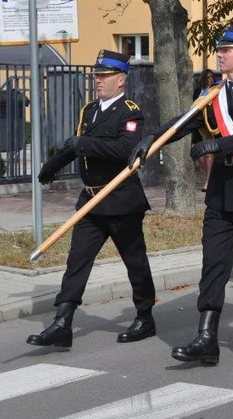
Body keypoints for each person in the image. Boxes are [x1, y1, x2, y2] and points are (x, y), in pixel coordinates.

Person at [129, 25, 233, 364]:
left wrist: (221, 143)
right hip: (220, 197)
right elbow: (181, 123)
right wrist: (150, 139)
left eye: (227, 49)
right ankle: (206, 336)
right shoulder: (213, 95)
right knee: (213, 266)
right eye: (219, 48)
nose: (220, 53)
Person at [31, 50, 156, 348]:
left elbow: (125, 149)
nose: (98, 80)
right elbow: (75, 146)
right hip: (90, 200)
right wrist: (51, 166)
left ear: (121, 80)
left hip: (120, 199)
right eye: (96, 75)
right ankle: (63, 321)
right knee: (77, 260)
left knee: (134, 260)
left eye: (104, 76)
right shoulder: (89, 110)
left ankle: (145, 316)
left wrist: (82, 143)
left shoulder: (130, 111)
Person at [195, 69, 219, 191]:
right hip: (198, 127)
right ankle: (214, 176)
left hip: (210, 125)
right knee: (198, 155)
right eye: (208, 77)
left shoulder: (215, 89)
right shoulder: (198, 91)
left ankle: (208, 182)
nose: (210, 80)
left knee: (209, 153)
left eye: (212, 77)